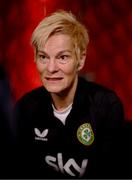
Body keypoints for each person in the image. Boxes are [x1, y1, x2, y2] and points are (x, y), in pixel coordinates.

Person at [13, 10, 125, 178]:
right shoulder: (25, 109)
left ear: (80, 60)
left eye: (62, 57)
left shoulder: (106, 107)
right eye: (43, 57)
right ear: (35, 59)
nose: (51, 68)